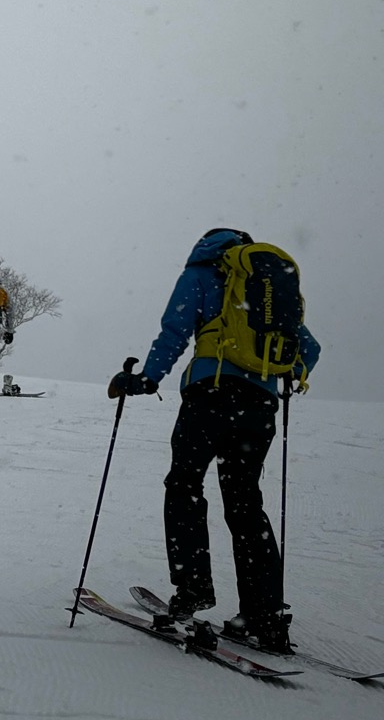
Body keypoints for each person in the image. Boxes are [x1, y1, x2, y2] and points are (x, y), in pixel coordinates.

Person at [109, 227, 320, 654]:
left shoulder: (202, 274)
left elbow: (174, 331)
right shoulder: (265, 287)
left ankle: (192, 589)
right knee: (245, 502)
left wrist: (147, 380)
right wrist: (282, 375)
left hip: (212, 394)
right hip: (258, 407)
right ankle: (265, 615)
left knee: (185, 484)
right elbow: (308, 349)